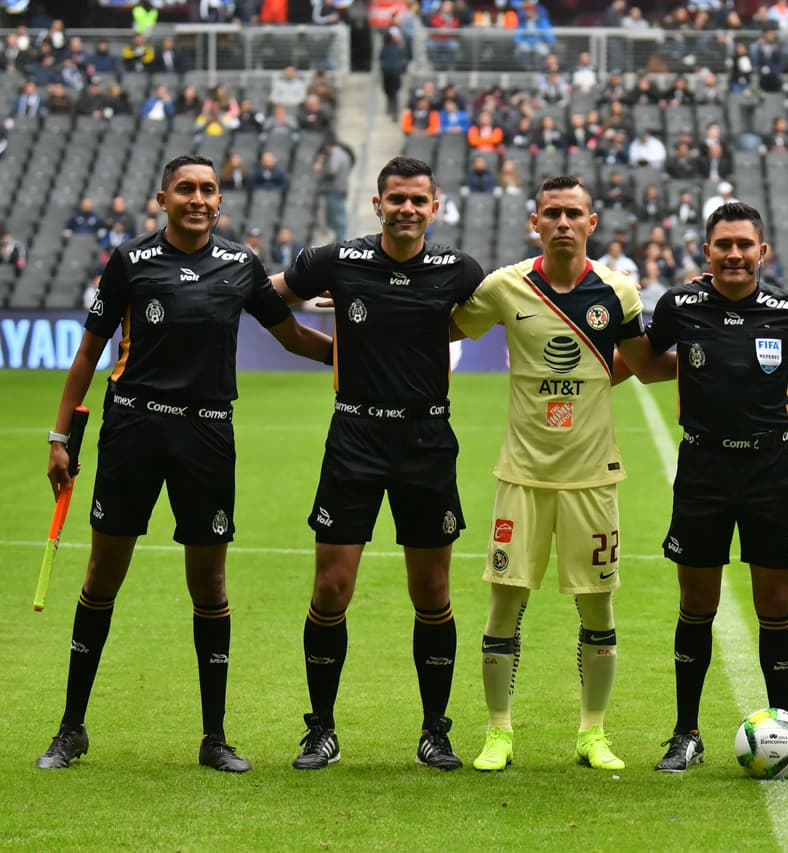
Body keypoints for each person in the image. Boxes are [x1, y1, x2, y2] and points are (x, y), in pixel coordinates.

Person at [35, 155, 332, 773]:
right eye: (186, 189)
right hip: (133, 429)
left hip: (207, 434)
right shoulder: (129, 262)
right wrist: (59, 435)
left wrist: (360, 358)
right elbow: (89, 352)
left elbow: (291, 336)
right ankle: (70, 729)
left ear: (219, 202)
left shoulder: (240, 265)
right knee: (102, 576)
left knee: (211, 585)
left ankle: (214, 737)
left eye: (208, 190)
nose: (198, 199)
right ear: (163, 198)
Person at [450, 176, 667, 772]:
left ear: (592, 223)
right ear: (535, 221)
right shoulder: (505, 286)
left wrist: (722, 339)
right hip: (521, 474)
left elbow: (645, 366)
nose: (564, 222)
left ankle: (592, 733)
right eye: (553, 213)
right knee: (504, 606)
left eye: (575, 213)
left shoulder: (618, 293)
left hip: (593, 478)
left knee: (597, 610)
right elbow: (440, 328)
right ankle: (498, 732)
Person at [276, 156, 486, 771]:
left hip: (426, 441)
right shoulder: (336, 261)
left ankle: (435, 731)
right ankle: (320, 729)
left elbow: (513, 315)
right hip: (355, 438)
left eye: (418, 200)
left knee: (432, 591)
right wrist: (332, 356)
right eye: (396, 199)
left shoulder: (458, 270)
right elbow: (268, 306)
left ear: (435, 206)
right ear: (378, 204)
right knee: (331, 588)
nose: (407, 209)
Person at [646, 202, 788, 773]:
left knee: (776, 605)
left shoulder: (786, 310)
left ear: (763, 251)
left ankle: (784, 727)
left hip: (770, 473)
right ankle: (686, 733)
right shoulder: (679, 305)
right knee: (696, 604)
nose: (734, 254)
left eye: (744, 245)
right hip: (703, 471)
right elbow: (643, 358)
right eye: (723, 244)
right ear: (706, 251)